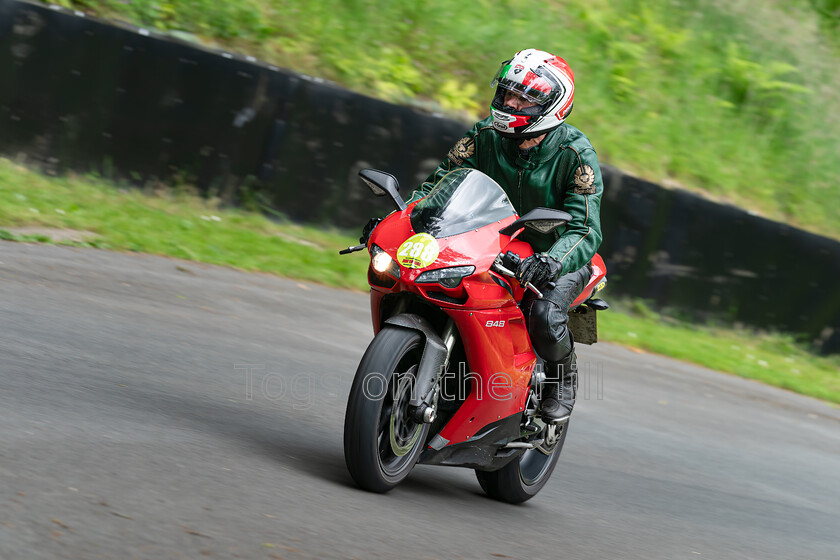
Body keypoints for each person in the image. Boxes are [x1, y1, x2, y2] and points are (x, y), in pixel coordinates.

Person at [362, 48, 603, 424]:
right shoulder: (484, 135)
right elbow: (436, 188)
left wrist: (552, 260)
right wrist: (395, 222)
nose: (511, 102)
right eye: (508, 92)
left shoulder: (576, 154)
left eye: (525, 97)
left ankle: (562, 378)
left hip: (555, 254)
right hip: (493, 245)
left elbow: (584, 228)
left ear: (554, 104)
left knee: (543, 312)